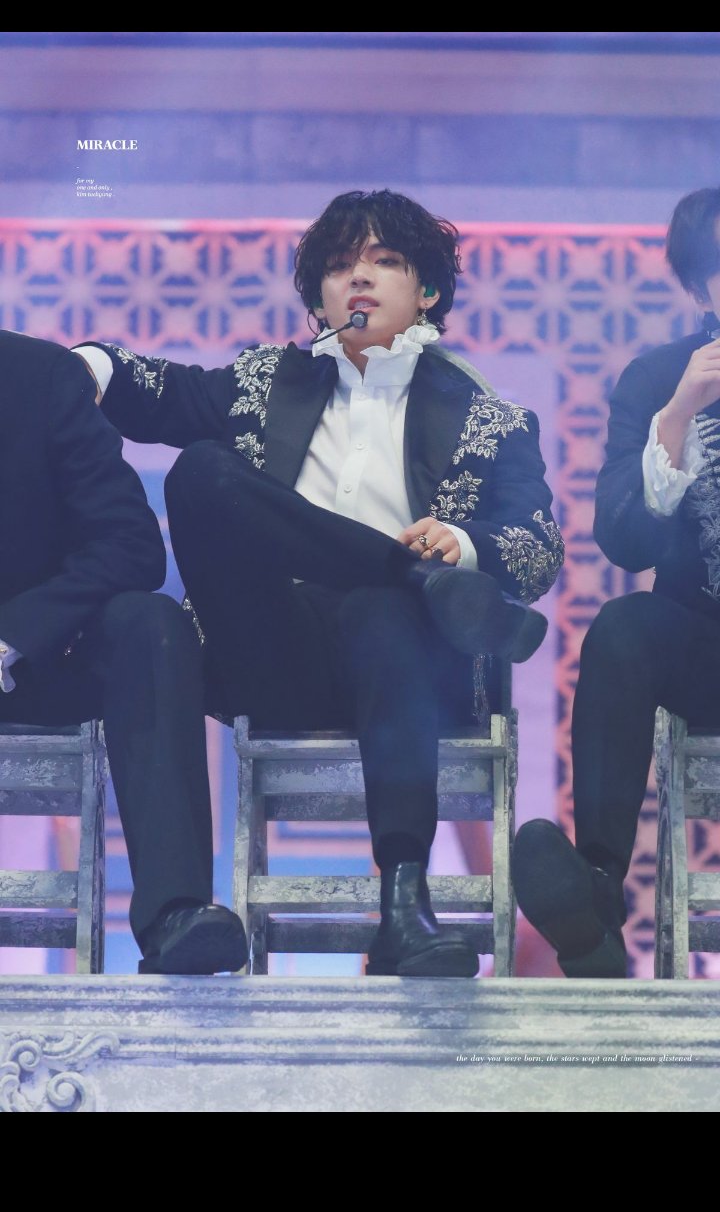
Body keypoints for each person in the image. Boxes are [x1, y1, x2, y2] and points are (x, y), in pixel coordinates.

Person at [76, 189, 563, 978]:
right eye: (339, 267)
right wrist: (83, 365)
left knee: (380, 610)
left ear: (426, 290)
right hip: (274, 654)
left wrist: (465, 544)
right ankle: (410, 574)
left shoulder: (489, 420)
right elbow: (154, 390)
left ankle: (404, 909)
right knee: (202, 471)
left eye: (384, 261)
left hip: (403, 667)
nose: (358, 279)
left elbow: (538, 549)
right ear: (320, 297)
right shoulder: (266, 383)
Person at [512, 186, 720, 979]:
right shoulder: (660, 379)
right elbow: (625, 542)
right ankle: (596, 895)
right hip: (706, 643)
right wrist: (679, 415)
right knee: (624, 625)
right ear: (700, 292)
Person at [0, 328, 247, 975]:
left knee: (150, 623)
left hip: (35, 663)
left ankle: (176, 913)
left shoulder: (38, 376)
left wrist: (15, 635)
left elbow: (129, 543)